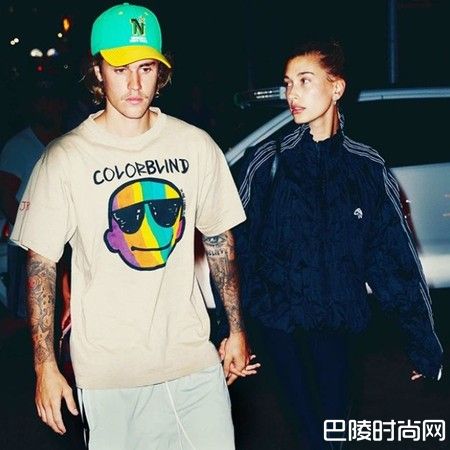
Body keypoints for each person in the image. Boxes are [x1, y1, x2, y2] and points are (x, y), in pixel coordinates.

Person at [11, 3, 258, 449]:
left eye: (146, 68)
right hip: (109, 378)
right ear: (97, 72)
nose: (134, 83)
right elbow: (41, 263)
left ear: (160, 72)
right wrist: (45, 365)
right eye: (120, 68)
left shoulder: (195, 145)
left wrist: (236, 329)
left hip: (193, 366)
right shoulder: (65, 158)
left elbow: (220, 239)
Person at [234, 40, 443, 450]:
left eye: (304, 81)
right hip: (282, 329)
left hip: (340, 328)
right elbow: (235, 247)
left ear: (336, 88)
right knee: (311, 436)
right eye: (288, 83)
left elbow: (395, 263)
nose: (292, 94)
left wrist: (422, 342)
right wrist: (233, 331)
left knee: (335, 435)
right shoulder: (267, 161)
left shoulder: (366, 167)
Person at [0, 80, 67, 319]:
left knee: (57, 310)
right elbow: (6, 196)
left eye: (52, 100)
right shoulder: (19, 146)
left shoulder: (65, 142)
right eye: (41, 101)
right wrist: (31, 234)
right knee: (27, 313)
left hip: (59, 244)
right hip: (26, 246)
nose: (48, 106)